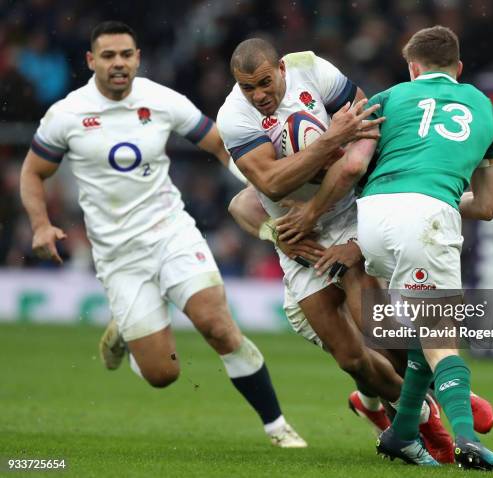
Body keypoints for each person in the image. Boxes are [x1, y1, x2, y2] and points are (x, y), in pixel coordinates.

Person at [19, 21, 306, 448]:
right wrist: (41, 224)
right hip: (118, 255)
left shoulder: (161, 100)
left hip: (171, 232)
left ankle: (277, 427)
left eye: (126, 55)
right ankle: (128, 335)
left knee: (219, 327)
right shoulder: (67, 115)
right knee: (163, 374)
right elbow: (33, 171)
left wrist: (256, 185)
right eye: (108, 56)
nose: (118, 64)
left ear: (137, 57)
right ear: (91, 61)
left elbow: (218, 145)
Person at [275, 26, 493, 471]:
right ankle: (465, 439)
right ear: (458, 69)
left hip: (371, 218)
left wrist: (319, 211)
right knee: (444, 339)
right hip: (427, 218)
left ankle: (402, 431)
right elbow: (486, 206)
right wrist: (439, 189)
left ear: (412, 67)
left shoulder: (387, 98)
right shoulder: (485, 109)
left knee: (421, 335)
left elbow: (356, 164)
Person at [216, 38, 409, 410]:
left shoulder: (310, 67)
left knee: (377, 327)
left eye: (264, 82)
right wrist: (332, 141)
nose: (258, 95)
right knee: (352, 359)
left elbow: (365, 119)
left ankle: (434, 407)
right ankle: (405, 406)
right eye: (247, 87)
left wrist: (322, 201)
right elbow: (270, 184)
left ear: (282, 69)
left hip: (348, 211)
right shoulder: (233, 116)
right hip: (301, 237)